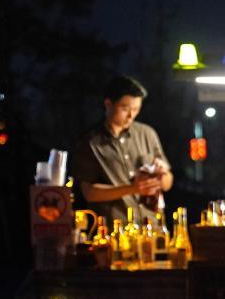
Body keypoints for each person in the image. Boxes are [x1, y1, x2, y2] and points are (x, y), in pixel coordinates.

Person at [72, 75, 173, 224]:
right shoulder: (90, 141)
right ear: (108, 104)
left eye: (136, 109)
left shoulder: (147, 134)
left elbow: (168, 183)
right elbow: (89, 193)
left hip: (151, 226)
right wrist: (132, 188)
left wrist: (161, 176)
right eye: (125, 109)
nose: (131, 115)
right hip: (115, 227)